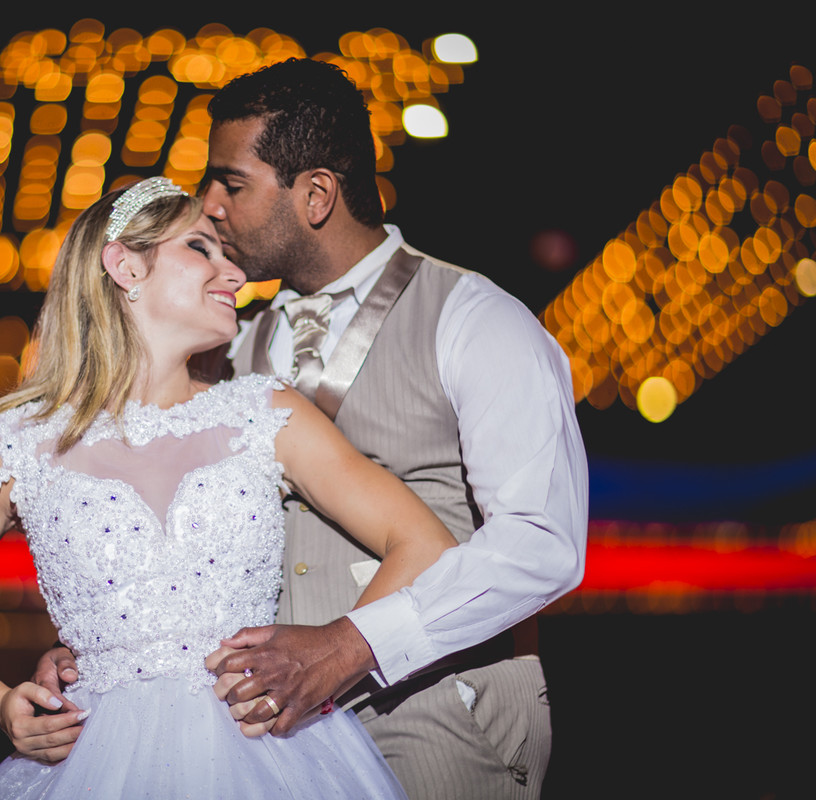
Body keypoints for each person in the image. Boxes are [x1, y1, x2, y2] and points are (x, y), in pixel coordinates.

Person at [0, 176, 460, 798]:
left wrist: (332, 654)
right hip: (93, 762)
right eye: (201, 248)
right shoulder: (14, 442)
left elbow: (424, 543)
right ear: (125, 266)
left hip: (270, 754)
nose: (234, 275)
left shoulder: (266, 415)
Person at [194, 58, 591, 799]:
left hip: (438, 717)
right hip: (267, 743)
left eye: (231, 183)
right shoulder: (231, 347)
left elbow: (543, 544)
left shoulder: (477, 319)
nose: (207, 205)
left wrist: (349, 646)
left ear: (316, 195)